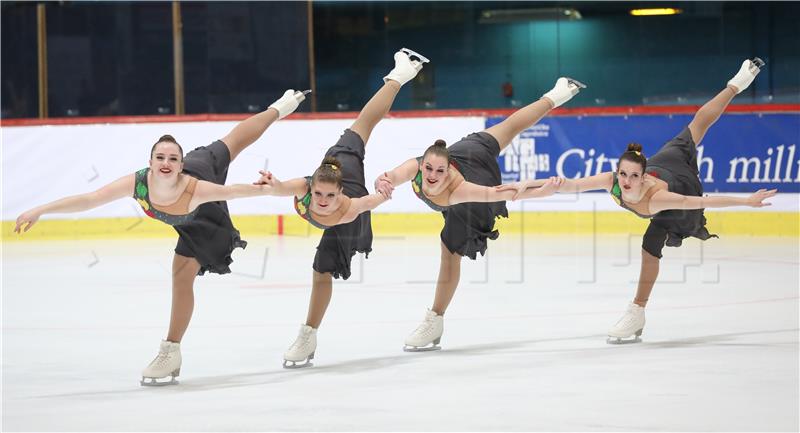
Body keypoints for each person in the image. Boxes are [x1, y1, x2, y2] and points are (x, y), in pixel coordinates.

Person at [14, 89, 308, 385]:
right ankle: (278, 107)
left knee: (181, 275)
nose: (166, 162)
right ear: (151, 162)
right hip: (199, 163)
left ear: (180, 165)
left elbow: (232, 191)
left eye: (172, 158)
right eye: (160, 157)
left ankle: (170, 350)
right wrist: (41, 209)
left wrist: (271, 188)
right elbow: (90, 199)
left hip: (203, 220)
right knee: (231, 141)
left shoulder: (196, 188)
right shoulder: (138, 183)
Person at [499, 58, 776, 344]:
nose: (626, 181)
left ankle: (636, 311)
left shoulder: (658, 198)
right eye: (622, 175)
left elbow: (701, 201)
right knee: (696, 125)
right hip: (661, 163)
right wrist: (525, 188)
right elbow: (569, 185)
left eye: (632, 176)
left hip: (680, 186)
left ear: (643, 178)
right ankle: (736, 83)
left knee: (651, 242)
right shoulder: (613, 181)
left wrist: (746, 201)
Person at [373, 77, 586, 351]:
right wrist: (384, 181)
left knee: (449, 254)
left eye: (440, 171)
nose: (434, 175)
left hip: (475, 183)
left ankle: (434, 319)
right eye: (429, 169)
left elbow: (504, 192)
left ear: (449, 169)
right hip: (464, 153)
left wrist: (543, 190)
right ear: (421, 165)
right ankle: (555, 95)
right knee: (509, 127)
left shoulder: (458, 190)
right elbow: (390, 175)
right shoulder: (415, 167)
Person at [252, 48, 429, 367]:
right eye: (318, 195)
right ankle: (399, 76)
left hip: (358, 199)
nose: (321, 201)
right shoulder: (311, 185)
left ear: (338, 196)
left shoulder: (347, 206)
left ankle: (307, 334)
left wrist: (384, 189)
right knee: (363, 122)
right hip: (337, 162)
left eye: (327, 198)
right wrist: (272, 184)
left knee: (322, 269)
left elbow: (368, 202)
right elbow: (281, 189)